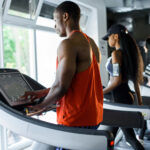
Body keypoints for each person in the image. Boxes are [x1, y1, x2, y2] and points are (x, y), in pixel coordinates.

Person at [21, 1, 103, 149]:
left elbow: (61, 86)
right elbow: (76, 82)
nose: (54, 26)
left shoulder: (68, 44)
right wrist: (40, 93)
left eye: (54, 20)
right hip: (93, 118)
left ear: (65, 16)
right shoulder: (91, 43)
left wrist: (41, 106)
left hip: (75, 121)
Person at [102, 24, 144, 150]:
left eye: (108, 37)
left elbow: (116, 81)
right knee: (109, 135)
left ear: (115, 37)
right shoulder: (129, 55)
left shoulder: (116, 54)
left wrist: (99, 93)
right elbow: (136, 82)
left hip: (119, 99)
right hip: (126, 96)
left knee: (129, 137)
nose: (107, 40)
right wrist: (140, 103)